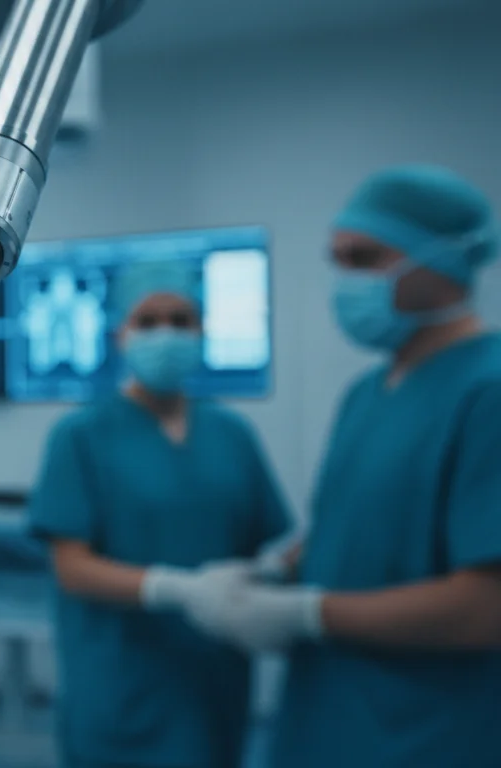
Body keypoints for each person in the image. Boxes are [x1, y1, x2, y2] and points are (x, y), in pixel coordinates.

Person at [181, 165, 501, 768]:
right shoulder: (367, 393)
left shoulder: (488, 391)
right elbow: (355, 531)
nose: (345, 281)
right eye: (338, 260)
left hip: (429, 731)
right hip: (327, 715)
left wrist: (305, 614)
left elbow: (487, 608)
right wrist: (273, 572)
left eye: (367, 258)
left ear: (448, 261)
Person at [27, 259, 292, 768]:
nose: (165, 334)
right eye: (148, 321)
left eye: (181, 320)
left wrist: (269, 581)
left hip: (216, 675)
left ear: (201, 331)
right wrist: (179, 589)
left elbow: (265, 544)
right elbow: (71, 567)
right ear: (120, 333)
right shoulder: (81, 436)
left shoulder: (232, 434)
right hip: (120, 677)